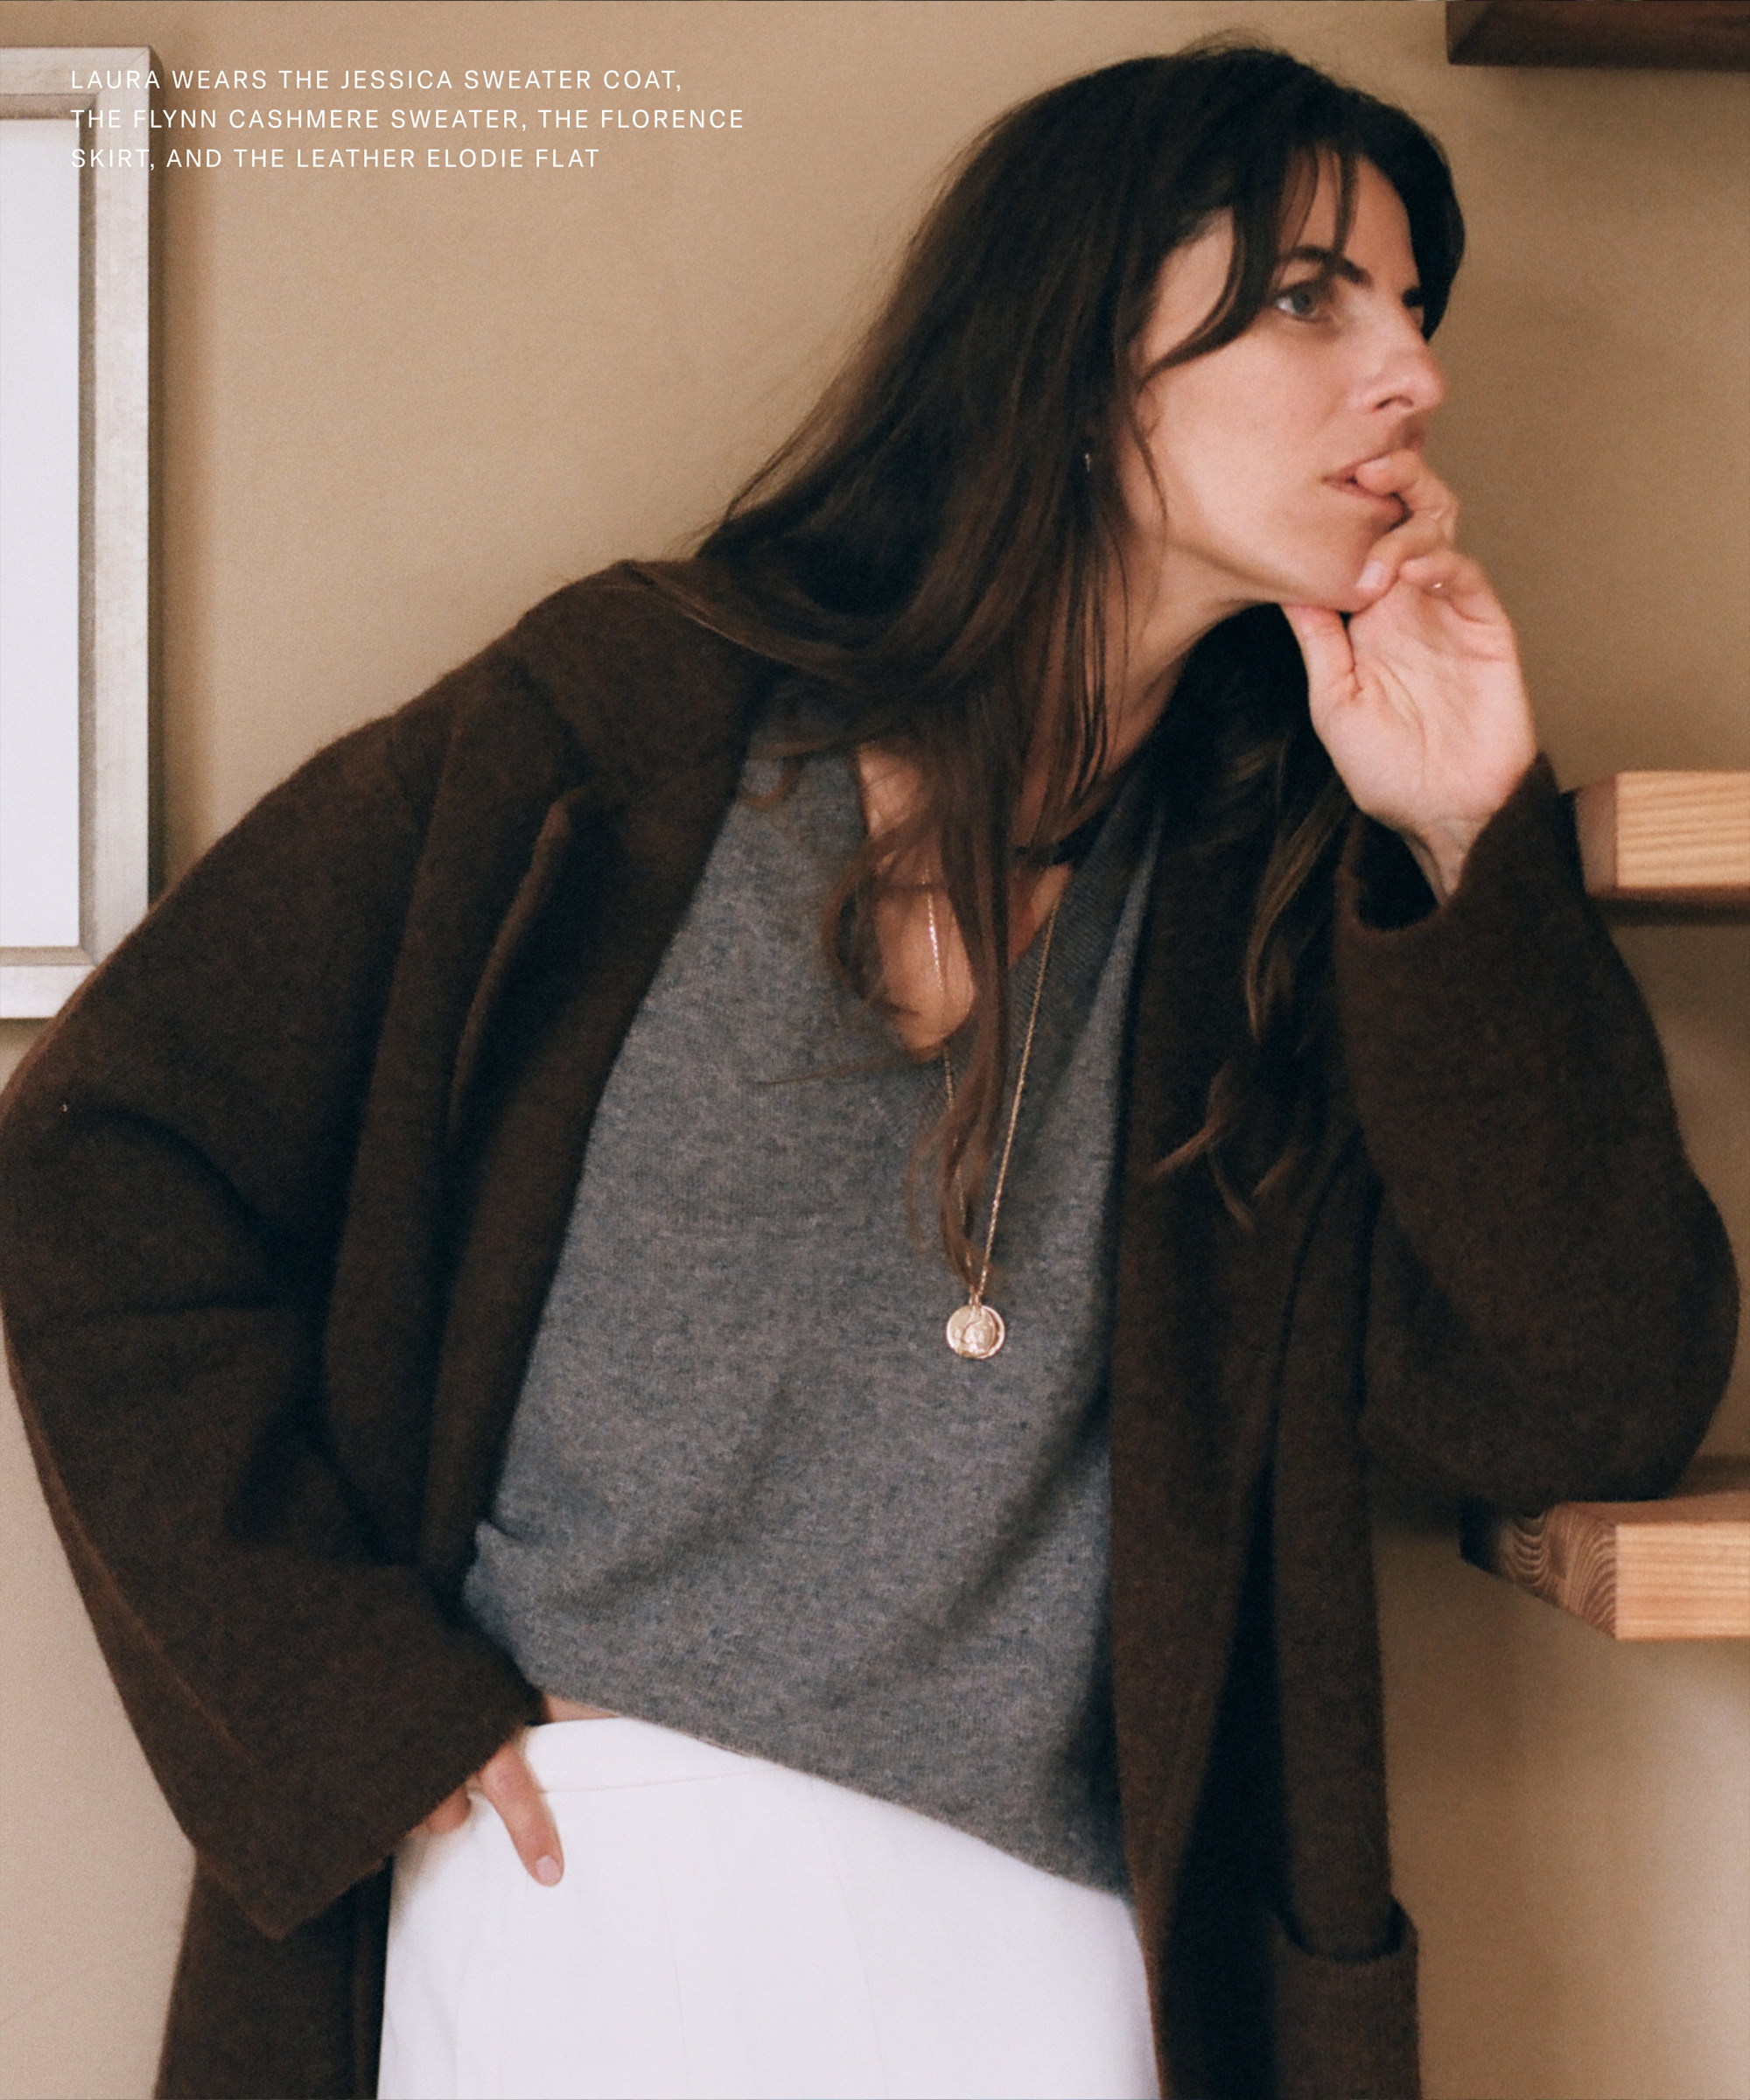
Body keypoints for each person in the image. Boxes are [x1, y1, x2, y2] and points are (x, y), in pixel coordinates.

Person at [0, 41, 1735, 2100]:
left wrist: (1463, 835)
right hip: (569, 1932)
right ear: (1079, 350)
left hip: (1051, 1979)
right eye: (1307, 297)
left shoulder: (1275, 890)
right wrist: (344, 1705)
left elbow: (1588, 1398)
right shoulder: (623, 732)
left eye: (1412, 311)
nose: (1413, 375)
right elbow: (99, 1159)